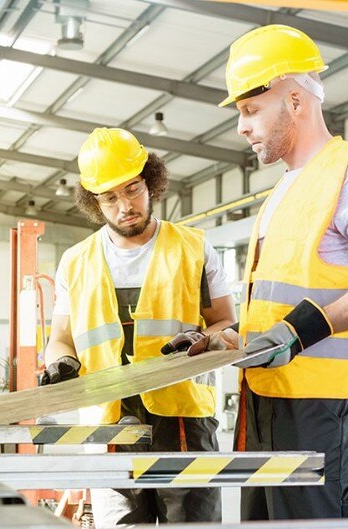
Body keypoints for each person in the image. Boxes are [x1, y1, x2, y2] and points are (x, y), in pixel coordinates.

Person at [215, 24, 348, 520]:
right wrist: (228, 338)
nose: (242, 128)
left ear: (295, 101)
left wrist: (301, 330)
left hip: (321, 407)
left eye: (250, 111)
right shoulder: (285, 190)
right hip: (265, 398)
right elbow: (281, 298)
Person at [39, 127, 237, 525]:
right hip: (108, 420)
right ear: (94, 202)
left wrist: (206, 339)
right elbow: (60, 338)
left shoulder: (194, 247)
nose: (124, 205)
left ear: (151, 181)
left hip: (184, 418)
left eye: (132, 189)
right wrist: (61, 363)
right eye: (110, 197)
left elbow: (225, 321)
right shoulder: (75, 262)